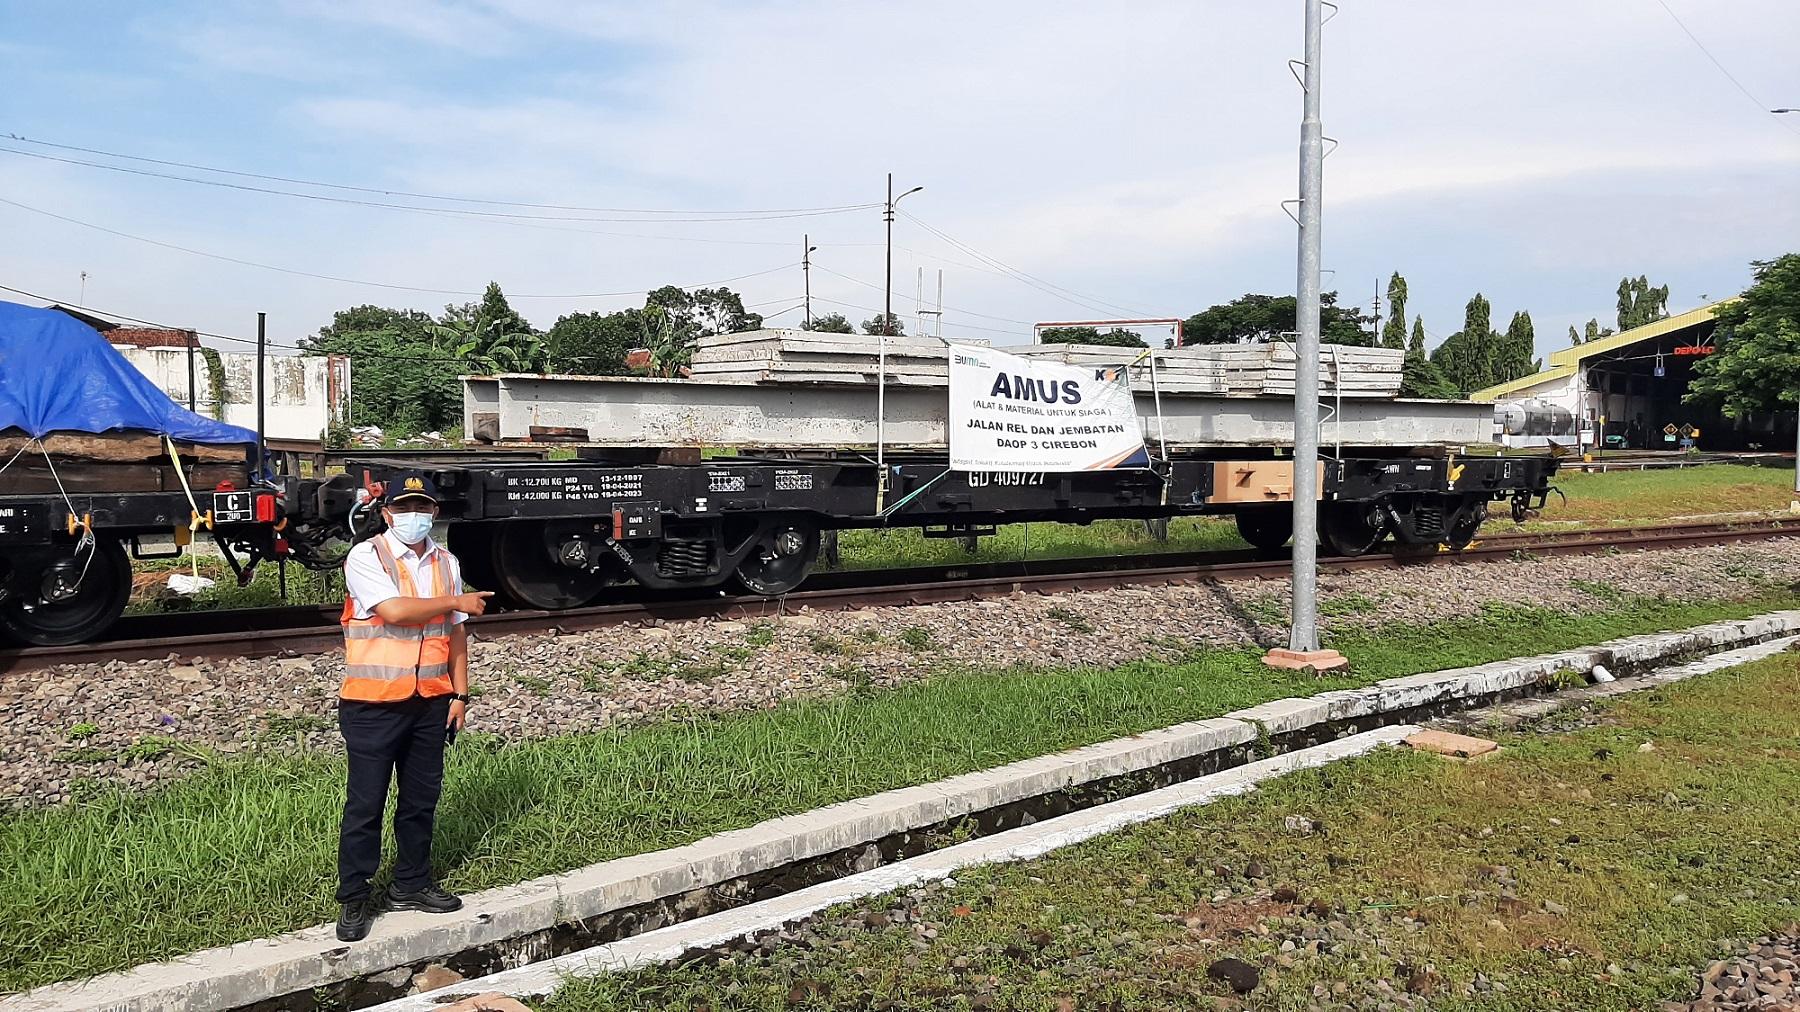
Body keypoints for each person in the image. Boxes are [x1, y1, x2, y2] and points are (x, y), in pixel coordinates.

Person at [334, 471, 493, 942]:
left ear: (434, 513)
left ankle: (411, 883)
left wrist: (460, 695)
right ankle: (354, 897)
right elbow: (394, 612)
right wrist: (456, 600)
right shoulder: (367, 555)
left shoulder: (447, 561)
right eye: (403, 508)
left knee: (421, 801)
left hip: (431, 702)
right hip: (374, 702)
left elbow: (457, 632)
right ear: (386, 513)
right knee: (365, 803)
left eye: (421, 508)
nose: (413, 516)